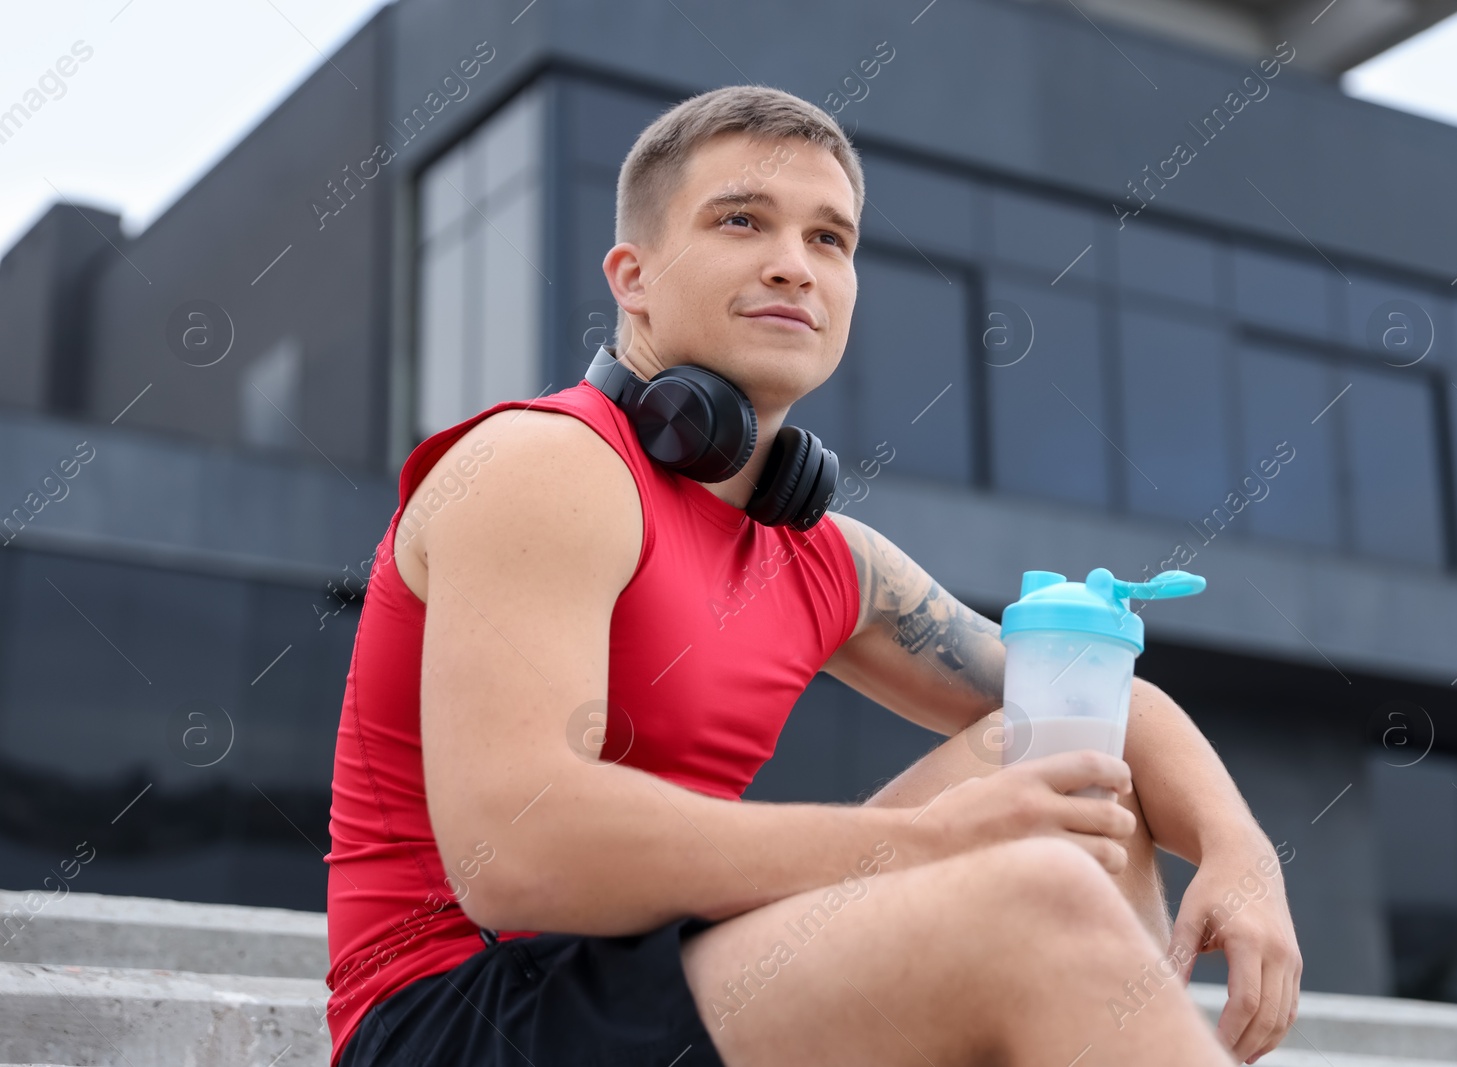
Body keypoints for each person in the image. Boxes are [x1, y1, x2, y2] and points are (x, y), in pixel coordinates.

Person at [323, 84, 1301, 1067]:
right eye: (741, 220)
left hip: (670, 974)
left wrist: (1241, 851)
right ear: (633, 276)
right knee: (1033, 894)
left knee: (1063, 756)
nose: (793, 265)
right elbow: (515, 854)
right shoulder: (545, 464)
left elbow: (1108, 699)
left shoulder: (828, 555)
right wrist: (923, 844)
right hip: (461, 1015)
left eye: (829, 238)